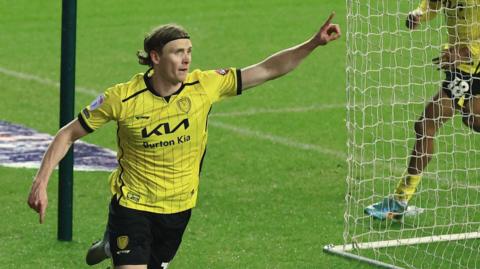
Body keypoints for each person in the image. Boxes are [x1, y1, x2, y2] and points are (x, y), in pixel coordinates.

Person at [27, 13, 341, 269]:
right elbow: (68, 133)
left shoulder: (205, 85)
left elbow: (269, 69)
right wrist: (41, 181)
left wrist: (313, 44)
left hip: (179, 207)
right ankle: (116, 239)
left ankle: (110, 244)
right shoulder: (121, 98)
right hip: (132, 206)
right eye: (178, 52)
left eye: (189, 52)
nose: (186, 59)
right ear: (155, 57)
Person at [364, 0, 480, 221]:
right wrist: (418, 14)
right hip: (461, 68)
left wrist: (466, 51)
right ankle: (400, 200)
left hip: (472, 63)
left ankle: (400, 199)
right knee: (460, 121)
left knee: (431, 123)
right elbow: (432, 4)